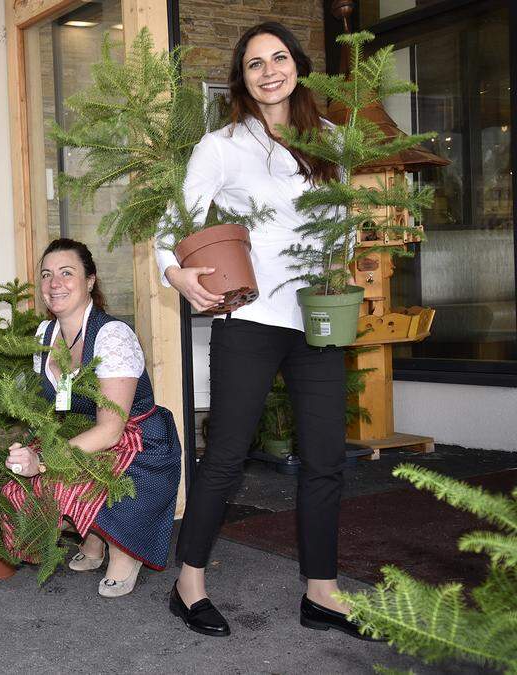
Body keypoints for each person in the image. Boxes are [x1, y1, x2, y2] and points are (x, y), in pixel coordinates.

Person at [159, 22, 381, 640]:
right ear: (243, 78)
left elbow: (334, 227)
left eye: (278, 58)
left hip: (315, 318)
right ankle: (190, 582)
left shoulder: (331, 140)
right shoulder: (223, 144)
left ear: (299, 66)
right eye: (254, 64)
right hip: (250, 319)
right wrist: (175, 272)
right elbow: (174, 219)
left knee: (325, 460)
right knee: (226, 457)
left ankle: (322, 591)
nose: (268, 71)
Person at [4, 238, 182, 597]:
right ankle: (94, 535)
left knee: (69, 467)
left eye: (67, 273)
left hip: (139, 441)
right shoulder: (46, 334)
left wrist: (43, 459)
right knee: (16, 480)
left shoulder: (111, 335)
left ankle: (124, 547)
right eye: (46, 275)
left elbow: (111, 430)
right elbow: (50, 408)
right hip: (86, 433)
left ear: (90, 281)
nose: (55, 284)